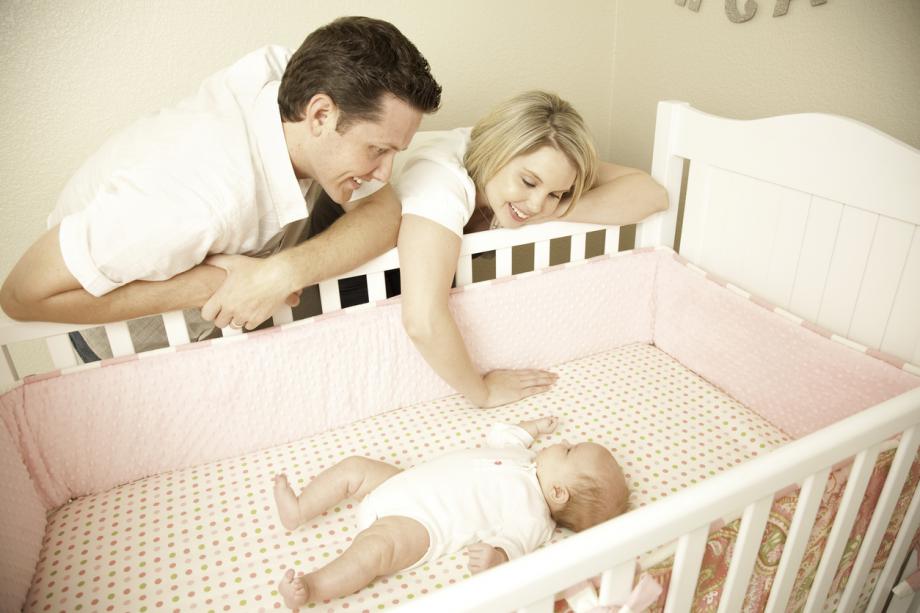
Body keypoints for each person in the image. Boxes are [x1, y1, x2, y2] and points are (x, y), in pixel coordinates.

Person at [0, 17, 441, 355]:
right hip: (118, 338)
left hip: (210, 302)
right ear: (320, 115)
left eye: (393, 152)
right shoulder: (192, 200)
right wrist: (210, 283)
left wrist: (280, 272)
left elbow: (384, 214)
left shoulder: (297, 78)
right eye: (377, 150)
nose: (384, 173)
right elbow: (20, 296)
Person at [394, 91, 668, 407]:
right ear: (495, 152)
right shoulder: (439, 185)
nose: (537, 203)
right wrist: (483, 393)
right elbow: (423, 320)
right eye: (528, 182)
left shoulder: (538, 158)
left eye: (557, 193)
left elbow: (653, 195)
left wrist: (555, 210)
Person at [272, 416, 629, 609]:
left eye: (568, 450)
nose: (562, 442)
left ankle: (312, 586)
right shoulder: (526, 460)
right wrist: (531, 428)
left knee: (375, 551)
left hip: (422, 524)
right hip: (403, 482)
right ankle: (299, 509)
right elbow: (502, 439)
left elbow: (517, 544)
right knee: (354, 468)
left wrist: (497, 557)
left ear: (558, 493)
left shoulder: (534, 514)